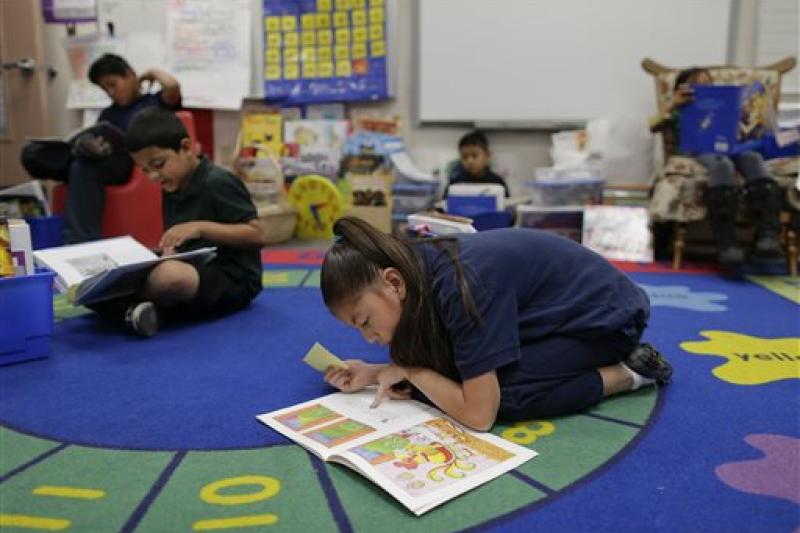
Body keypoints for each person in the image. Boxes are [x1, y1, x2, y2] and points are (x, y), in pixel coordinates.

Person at [321, 217, 672, 431]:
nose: (369, 337)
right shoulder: (417, 270)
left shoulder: (461, 285)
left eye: (366, 322)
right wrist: (374, 371)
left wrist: (410, 372)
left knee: (505, 396)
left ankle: (630, 372)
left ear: (394, 282)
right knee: (457, 374)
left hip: (608, 319)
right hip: (549, 314)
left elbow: (478, 416)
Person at [90, 107, 266, 337]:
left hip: (234, 281)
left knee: (168, 277)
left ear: (185, 147)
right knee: (98, 278)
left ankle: (128, 308)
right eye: (144, 170)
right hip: (196, 270)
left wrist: (201, 227)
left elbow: (258, 234)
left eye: (159, 164)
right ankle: (137, 310)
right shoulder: (173, 183)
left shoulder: (218, 181)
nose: (153, 176)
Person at [20, 53, 182, 244]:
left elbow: (172, 86)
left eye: (113, 84)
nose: (111, 93)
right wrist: (85, 144)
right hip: (98, 158)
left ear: (130, 75)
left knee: (83, 167)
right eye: (105, 89)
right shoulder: (108, 113)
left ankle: (79, 242)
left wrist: (150, 74)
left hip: (127, 162)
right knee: (33, 154)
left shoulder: (153, 102)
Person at [650, 67, 784, 267]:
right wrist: (673, 104)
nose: (704, 87)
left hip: (732, 146)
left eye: (708, 84)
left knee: (752, 158)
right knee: (722, 165)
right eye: (697, 83)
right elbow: (652, 125)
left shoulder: (724, 106)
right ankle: (727, 242)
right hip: (699, 150)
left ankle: (768, 235)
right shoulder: (679, 109)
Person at [444, 130, 510, 198]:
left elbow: (507, 205)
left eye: (474, 155)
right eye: (465, 157)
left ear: (487, 155)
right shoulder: (455, 183)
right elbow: (443, 206)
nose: (470, 161)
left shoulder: (497, 182)